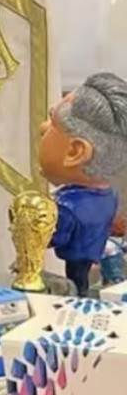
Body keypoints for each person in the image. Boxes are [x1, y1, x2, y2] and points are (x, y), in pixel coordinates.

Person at [37, 72, 127, 296]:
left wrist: (34, 230)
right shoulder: (110, 194)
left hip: (78, 255)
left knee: (76, 284)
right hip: (94, 250)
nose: (42, 128)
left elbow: (54, 236)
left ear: (75, 152)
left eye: (52, 122)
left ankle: (79, 294)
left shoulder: (68, 206)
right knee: (83, 279)